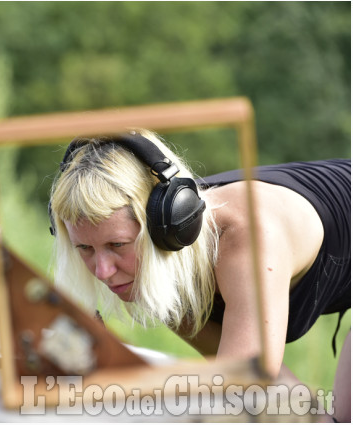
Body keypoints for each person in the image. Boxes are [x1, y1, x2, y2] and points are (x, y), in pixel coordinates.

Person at [48, 129, 350, 422]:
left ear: (166, 222)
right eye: (85, 248)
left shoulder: (250, 240)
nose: (103, 271)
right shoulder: (160, 261)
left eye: (117, 245)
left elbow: (241, 397)